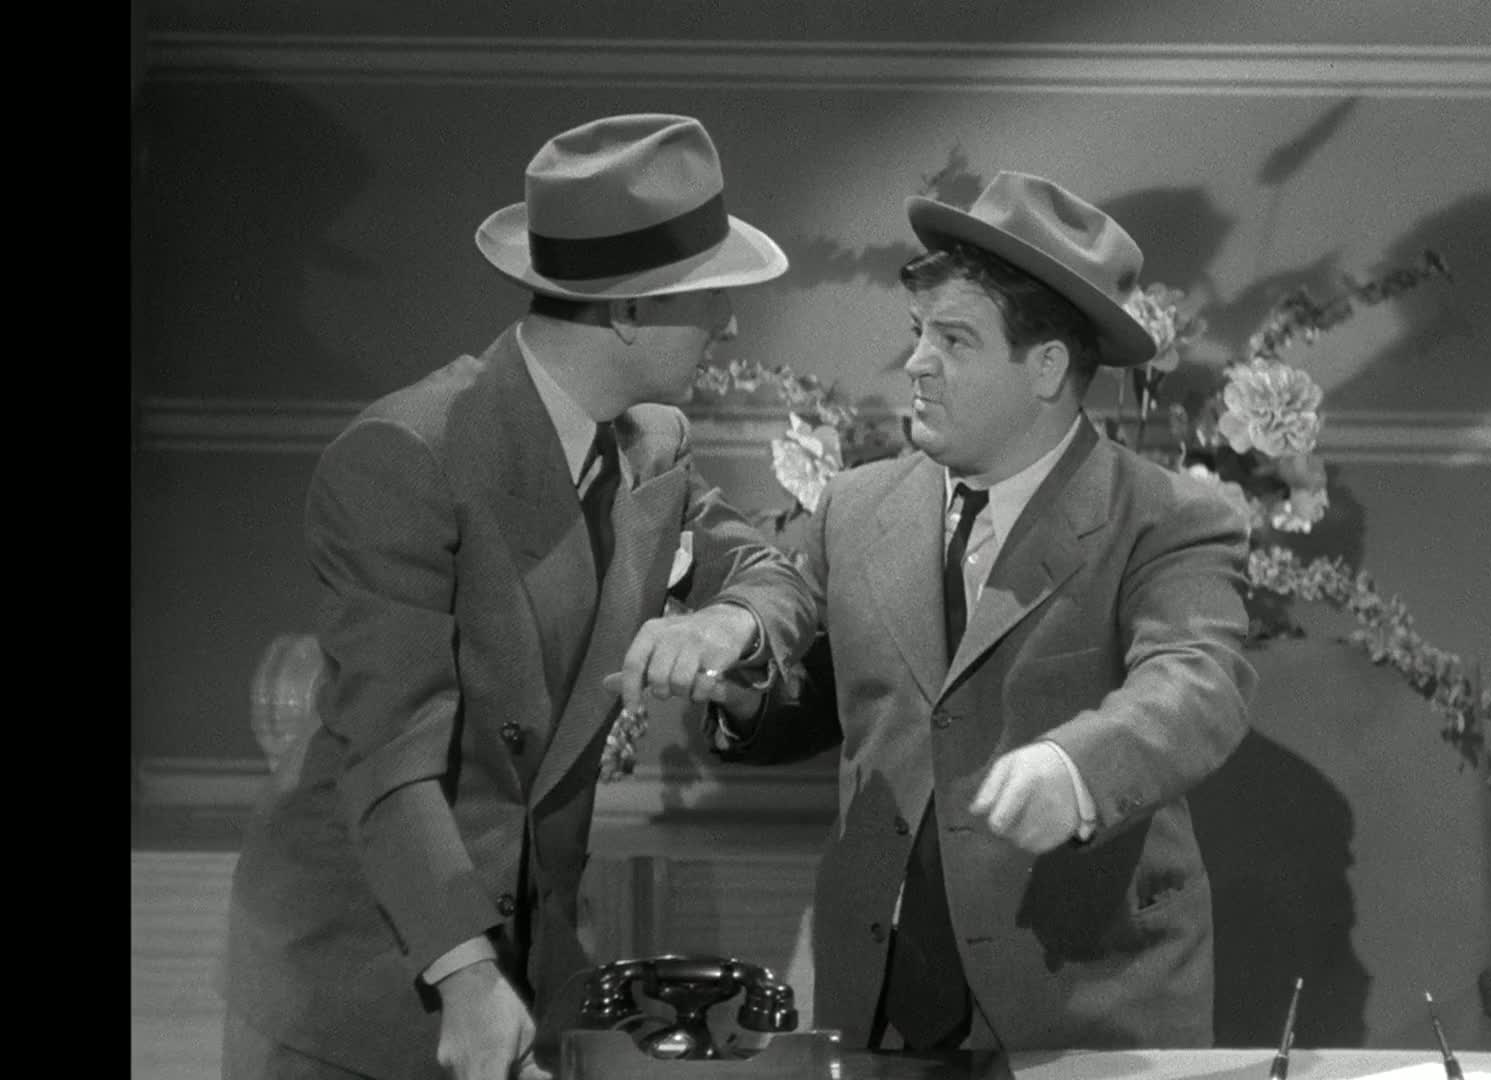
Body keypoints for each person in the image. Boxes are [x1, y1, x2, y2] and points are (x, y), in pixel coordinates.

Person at [222, 113, 819, 1080]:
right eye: (713, 294)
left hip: (526, 969)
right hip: (366, 977)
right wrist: (466, 977)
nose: (730, 323)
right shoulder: (405, 456)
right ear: (630, 313)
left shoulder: (651, 446)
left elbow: (775, 576)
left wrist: (730, 618)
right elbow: (390, 755)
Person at [709, 171, 1258, 1051]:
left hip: (1082, 1009)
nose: (917, 363)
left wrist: (1076, 768)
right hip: (879, 1005)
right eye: (919, 333)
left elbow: (1199, 682)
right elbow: (848, 702)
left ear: (1046, 367)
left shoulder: (1165, 519)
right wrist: (745, 696)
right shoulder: (856, 506)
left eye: (954, 339)